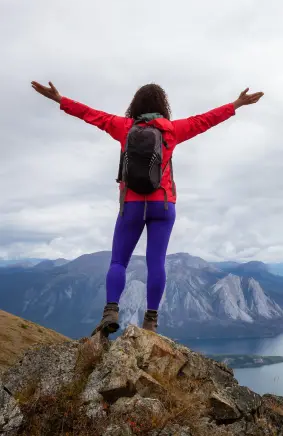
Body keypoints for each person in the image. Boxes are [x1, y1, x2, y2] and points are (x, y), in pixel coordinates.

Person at [31, 80, 264, 335]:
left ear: (135, 105)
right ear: (163, 106)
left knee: (119, 261)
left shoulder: (123, 127)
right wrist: (236, 104)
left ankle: (111, 310)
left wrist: (60, 99)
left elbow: (90, 114)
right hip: (162, 205)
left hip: (131, 204)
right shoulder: (172, 130)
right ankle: (151, 320)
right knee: (157, 263)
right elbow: (205, 120)